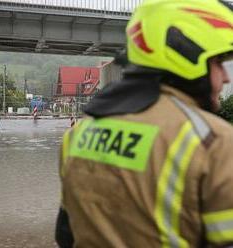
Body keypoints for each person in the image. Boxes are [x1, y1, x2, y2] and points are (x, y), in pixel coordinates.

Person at [55, 0, 233, 247]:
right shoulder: (213, 141)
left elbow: (65, 235)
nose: (225, 77)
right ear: (187, 54)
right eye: (218, 63)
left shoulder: (78, 134)